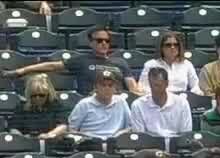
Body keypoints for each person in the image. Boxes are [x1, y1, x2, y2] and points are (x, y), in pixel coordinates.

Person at [2, 26, 138, 96]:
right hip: (91, 103)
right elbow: (52, 66)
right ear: (91, 43)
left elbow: (133, 89)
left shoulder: (120, 62)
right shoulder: (82, 60)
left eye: (107, 41)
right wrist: (21, 71)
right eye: (99, 40)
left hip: (117, 104)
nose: (104, 43)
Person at [66, 68, 130, 142]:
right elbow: (71, 129)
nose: (107, 88)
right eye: (103, 85)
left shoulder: (121, 102)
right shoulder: (84, 104)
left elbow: (129, 127)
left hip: (114, 142)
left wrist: (120, 134)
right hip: (91, 143)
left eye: (110, 85)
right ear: (95, 87)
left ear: (115, 88)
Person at [129, 66, 193, 138]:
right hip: (150, 147)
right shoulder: (138, 105)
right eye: (152, 85)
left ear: (166, 84)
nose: (154, 89)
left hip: (176, 144)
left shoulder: (182, 103)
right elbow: (140, 137)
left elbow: (186, 134)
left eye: (158, 85)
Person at [141, 32, 202, 97]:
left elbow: (196, 85)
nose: (172, 47)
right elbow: (143, 87)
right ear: (161, 48)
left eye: (176, 44)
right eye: (168, 45)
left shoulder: (187, 64)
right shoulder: (151, 64)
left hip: (181, 100)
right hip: (158, 99)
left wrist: (192, 95)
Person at [10, 73, 67, 140]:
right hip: (28, 143)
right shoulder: (22, 106)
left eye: (41, 95)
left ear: (48, 94)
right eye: (34, 95)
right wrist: (22, 139)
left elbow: (63, 126)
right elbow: (13, 128)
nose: (37, 98)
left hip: (50, 142)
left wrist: (48, 135)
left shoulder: (56, 105)